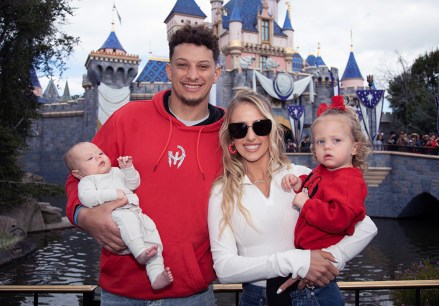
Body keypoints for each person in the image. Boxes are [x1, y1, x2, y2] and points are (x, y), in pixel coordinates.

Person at [65, 24, 224, 304]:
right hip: (123, 290)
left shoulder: (231, 133)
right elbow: (77, 177)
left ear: (216, 73)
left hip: (191, 293)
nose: (192, 75)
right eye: (182, 65)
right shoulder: (127, 119)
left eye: (202, 66)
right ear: (169, 70)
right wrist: (83, 216)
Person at [208, 89, 378, 306]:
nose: (250, 136)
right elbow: (224, 269)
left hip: (313, 292)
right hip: (257, 298)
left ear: (271, 129)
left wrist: (324, 262)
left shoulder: (300, 175)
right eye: (239, 129)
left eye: (260, 126)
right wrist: (297, 261)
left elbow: (366, 226)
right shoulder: (222, 192)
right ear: (231, 136)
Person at [279, 95, 373, 305]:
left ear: (355, 147)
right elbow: (313, 186)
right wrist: (298, 183)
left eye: (336, 140)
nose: (327, 147)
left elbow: (339, 218)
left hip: (317, 282)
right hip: (307, 263)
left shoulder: (349, 179)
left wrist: (305, 204)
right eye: (321, 141)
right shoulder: (323, 171)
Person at [64, 142, 173, 290]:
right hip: (117, 214)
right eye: (90, 158)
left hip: (136, 212)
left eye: (100, 153)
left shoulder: (116, 171)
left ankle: (156, 276)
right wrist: (113, 194)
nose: (98, 157)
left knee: (153, 238)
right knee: (128, 221)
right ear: (77, 173)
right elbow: (86, 198)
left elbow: (133, 184)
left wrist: (128, 169)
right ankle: (139, 252)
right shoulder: (87, 181)